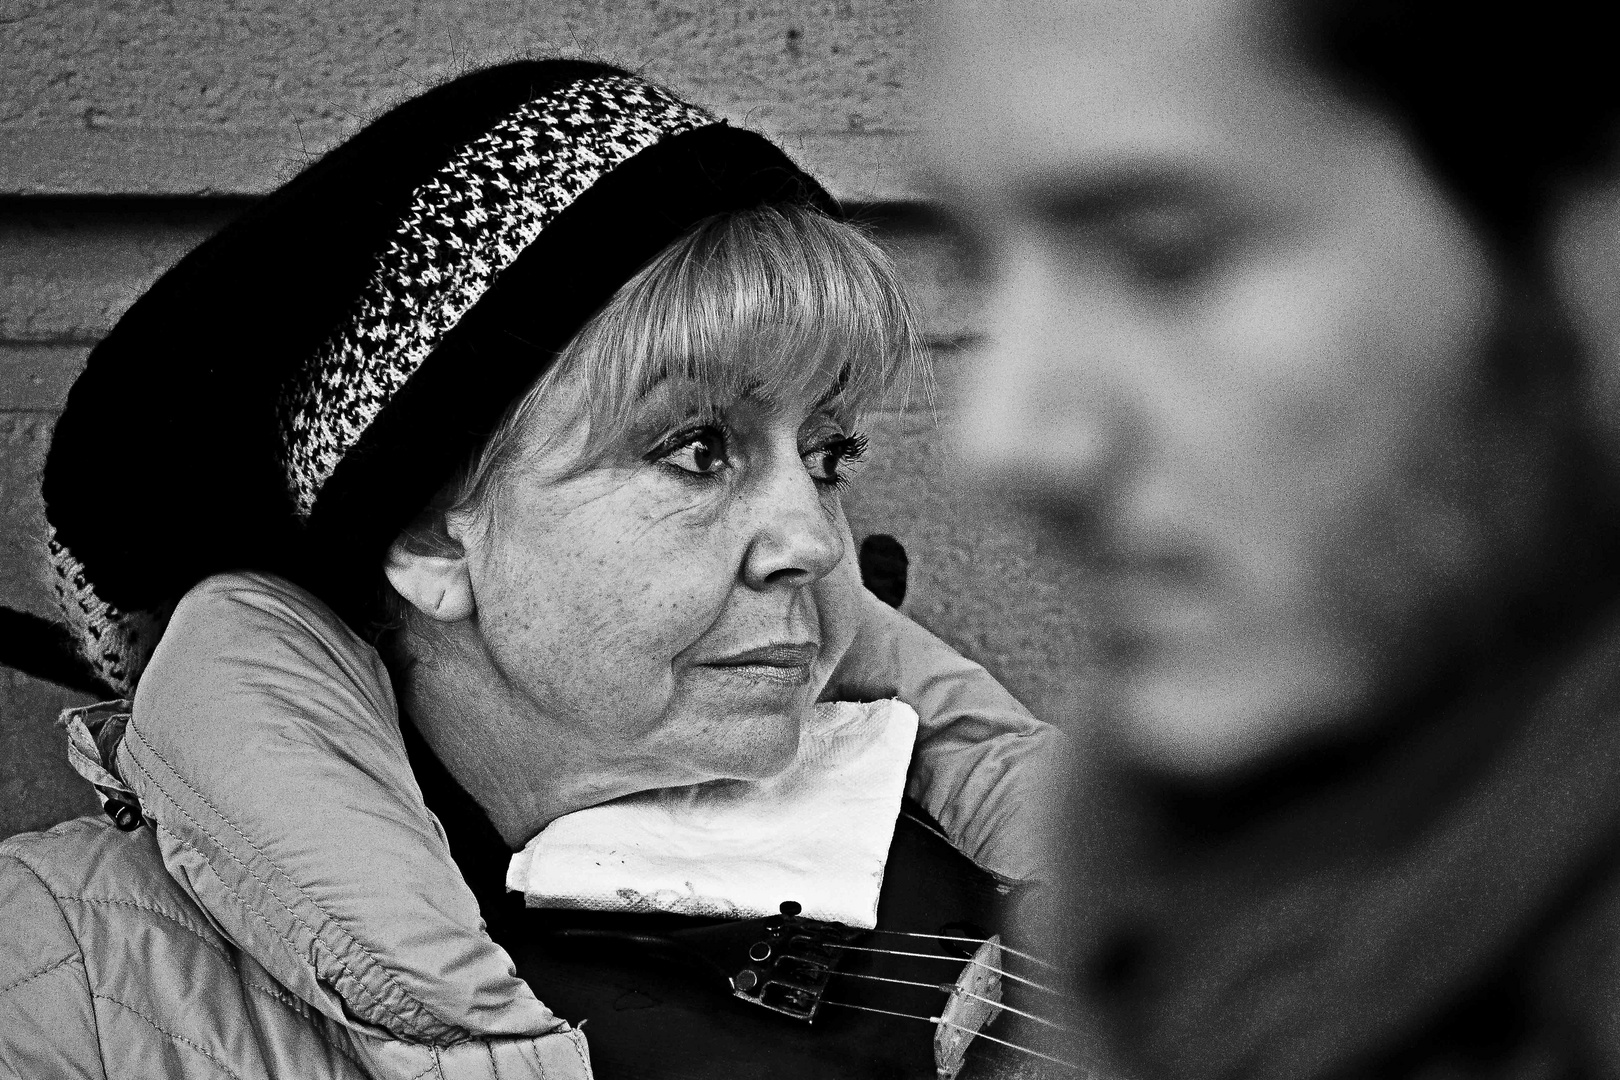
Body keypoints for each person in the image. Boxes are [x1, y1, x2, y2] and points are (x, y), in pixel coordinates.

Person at [0, 60, 1058, 1079]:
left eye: (827, 455)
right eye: (698, 449)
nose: (818, 542)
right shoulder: (56, 982)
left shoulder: (938, 829)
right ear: (427, 538)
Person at [925, 0, 1620, 1078]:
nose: (1005, 438)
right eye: (977, 267)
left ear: (1575, 248)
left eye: (1167, 261)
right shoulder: (1176, 868)